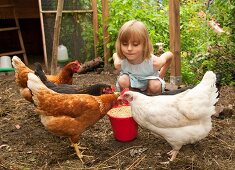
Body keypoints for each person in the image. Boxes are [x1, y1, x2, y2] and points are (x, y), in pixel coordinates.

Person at [113, 20, 173, 95]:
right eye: (125, 44)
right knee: (123, 80)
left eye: (135, 44)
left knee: (155, 85)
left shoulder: (155, 63)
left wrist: (161, 75)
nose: (129, 49)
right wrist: (117, 57)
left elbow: (169, 55)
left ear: (144, 45)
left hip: (150, 87)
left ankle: (151, 101)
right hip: (131, 87)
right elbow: (115, 55)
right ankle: (128, 101)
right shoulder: (119, 63)